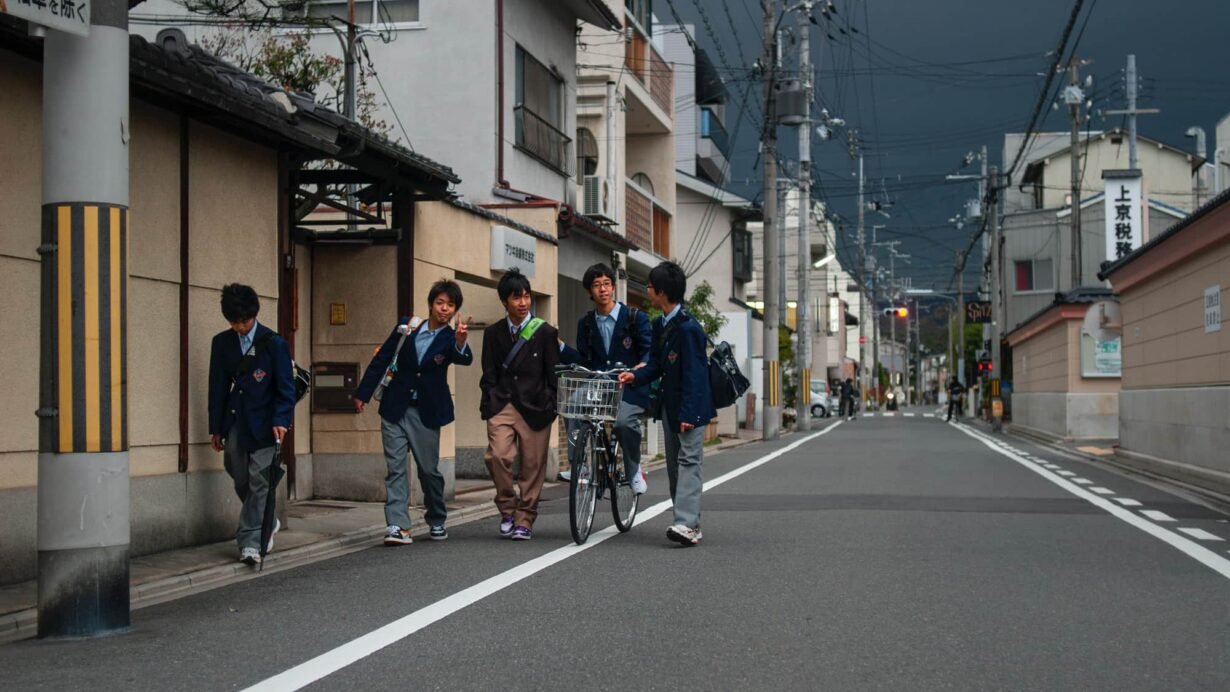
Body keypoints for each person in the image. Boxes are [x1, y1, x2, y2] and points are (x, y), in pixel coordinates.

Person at [353, 280, 473, 545]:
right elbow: (383, 357)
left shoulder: (450, 337)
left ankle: (437, 517)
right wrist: (363, 393)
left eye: (450, 305)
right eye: (440, 303)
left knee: (428, 470)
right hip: (395, 407)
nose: (444, 309)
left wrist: (462, 342)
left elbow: (464, 358)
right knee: (395, 468)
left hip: (426, 412)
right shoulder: (409, 327)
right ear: (431, 303)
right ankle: (398, 526)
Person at [619, 261, 715, 547]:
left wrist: (689, 414)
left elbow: (696, 376)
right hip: (671, 407)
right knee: (675, 466)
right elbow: (657, 364)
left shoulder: (689, 329)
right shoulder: (662, 323)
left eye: (650, 286)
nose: (648, 290)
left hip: (690, 408)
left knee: (688, 462)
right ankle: (690, 524)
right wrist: (635, 375)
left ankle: (684, 523)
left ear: (661, 291)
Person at [208, 284, 296, 566]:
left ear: (254, 315)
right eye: (234, 322)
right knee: (237, 473)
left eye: (244, 321)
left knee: (260, 480)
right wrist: (216, 427)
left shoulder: (274, 343)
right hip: (235, 421)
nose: (240, 327)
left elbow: (286, 387)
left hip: (267, 423)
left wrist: (282, 419)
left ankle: (250, 542)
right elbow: (217, 387)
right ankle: (268, 518)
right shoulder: (222, 343)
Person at [480, 269, 560, 541]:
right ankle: (506, 509)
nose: (523, 302)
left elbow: (554, 374)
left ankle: (524, 519)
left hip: (536, 406)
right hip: (502, 403)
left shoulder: (545, 332)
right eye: (517, 298)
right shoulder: (493, 333)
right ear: (505, 301)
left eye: (526, 296)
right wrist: (489, 402)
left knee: (532, 465)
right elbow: (488, 373)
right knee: (497, 456)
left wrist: (551, 405)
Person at [558, 263, 652, 494]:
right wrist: (560, 347)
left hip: (630, 384)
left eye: (607, 284)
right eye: (597, 285)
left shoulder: (634, 317)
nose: (603, 289)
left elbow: (650, 349)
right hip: (600, 385)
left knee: (623, 424)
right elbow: (584, 361)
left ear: (613, 288)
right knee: (570, 407)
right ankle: (580, 466)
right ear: (589, 291)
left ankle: (633, 470)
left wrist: (642, 366)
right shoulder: (586, 323)